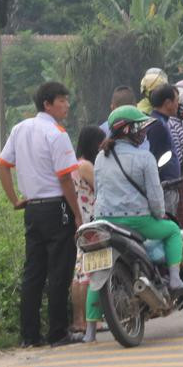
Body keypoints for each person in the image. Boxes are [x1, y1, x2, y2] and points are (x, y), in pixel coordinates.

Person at [0, 81, 83, 348]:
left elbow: (2, 165)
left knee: (33, 272)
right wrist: (77, 214)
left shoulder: (20, 128)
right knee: (59, 270)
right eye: (61, 100)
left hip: (32, 208)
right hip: (57, 207)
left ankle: (29, 335)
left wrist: (14, 200)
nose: (67, 105)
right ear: (47, 104)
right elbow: (66, 179)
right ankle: (58, 332)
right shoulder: (57, 134)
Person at [93, 106, 183, 293]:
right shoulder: (145, 157)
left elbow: (98, 192)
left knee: (97, 272)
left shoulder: (100, 158)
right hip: (137, 222)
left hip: (104, 222)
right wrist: (160, 215)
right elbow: (155, 197)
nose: (144, 132)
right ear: (129, 130)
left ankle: (90, 323)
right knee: (173, 231)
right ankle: (175, 280)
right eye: (140, 128)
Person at [71, 126, 104, 343]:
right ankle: (81, 320)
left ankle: (82, 319)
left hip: (81, 219)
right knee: (85, 271)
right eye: (101, 143)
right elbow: (101, 187)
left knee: (81, 269)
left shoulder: (75, 164)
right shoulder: (85, 166)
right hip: (89, 219)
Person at [146, 83, 183, 217]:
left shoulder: (161, 122)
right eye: (176, 101)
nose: (178, 105)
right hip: (164, 187)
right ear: (168, 103)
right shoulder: (158, 125)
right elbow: (156, 157)